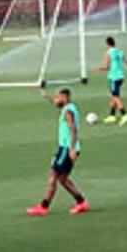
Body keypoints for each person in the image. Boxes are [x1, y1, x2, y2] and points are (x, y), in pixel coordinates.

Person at [26, 87, 87, 216]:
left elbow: (73, 129)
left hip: (67, 148)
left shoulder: (68, 112)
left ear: (64, 98)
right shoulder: (69, 107)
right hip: (64, 148)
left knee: (54, 176)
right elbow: (55, 102)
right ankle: (81, 202)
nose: (56, 100)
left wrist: (72, 148)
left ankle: (44, 206)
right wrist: (46, 96)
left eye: (58, 97)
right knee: (62, 179)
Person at [102, 37, 127, 124]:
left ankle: (124, 114)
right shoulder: (120, 51)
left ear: (107, 44)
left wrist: (98, 69)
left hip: (113, 77)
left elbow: (106, 67)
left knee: (115, 97)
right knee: (113, 97)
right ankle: (112, 116)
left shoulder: (108, 53)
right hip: (121, 76)